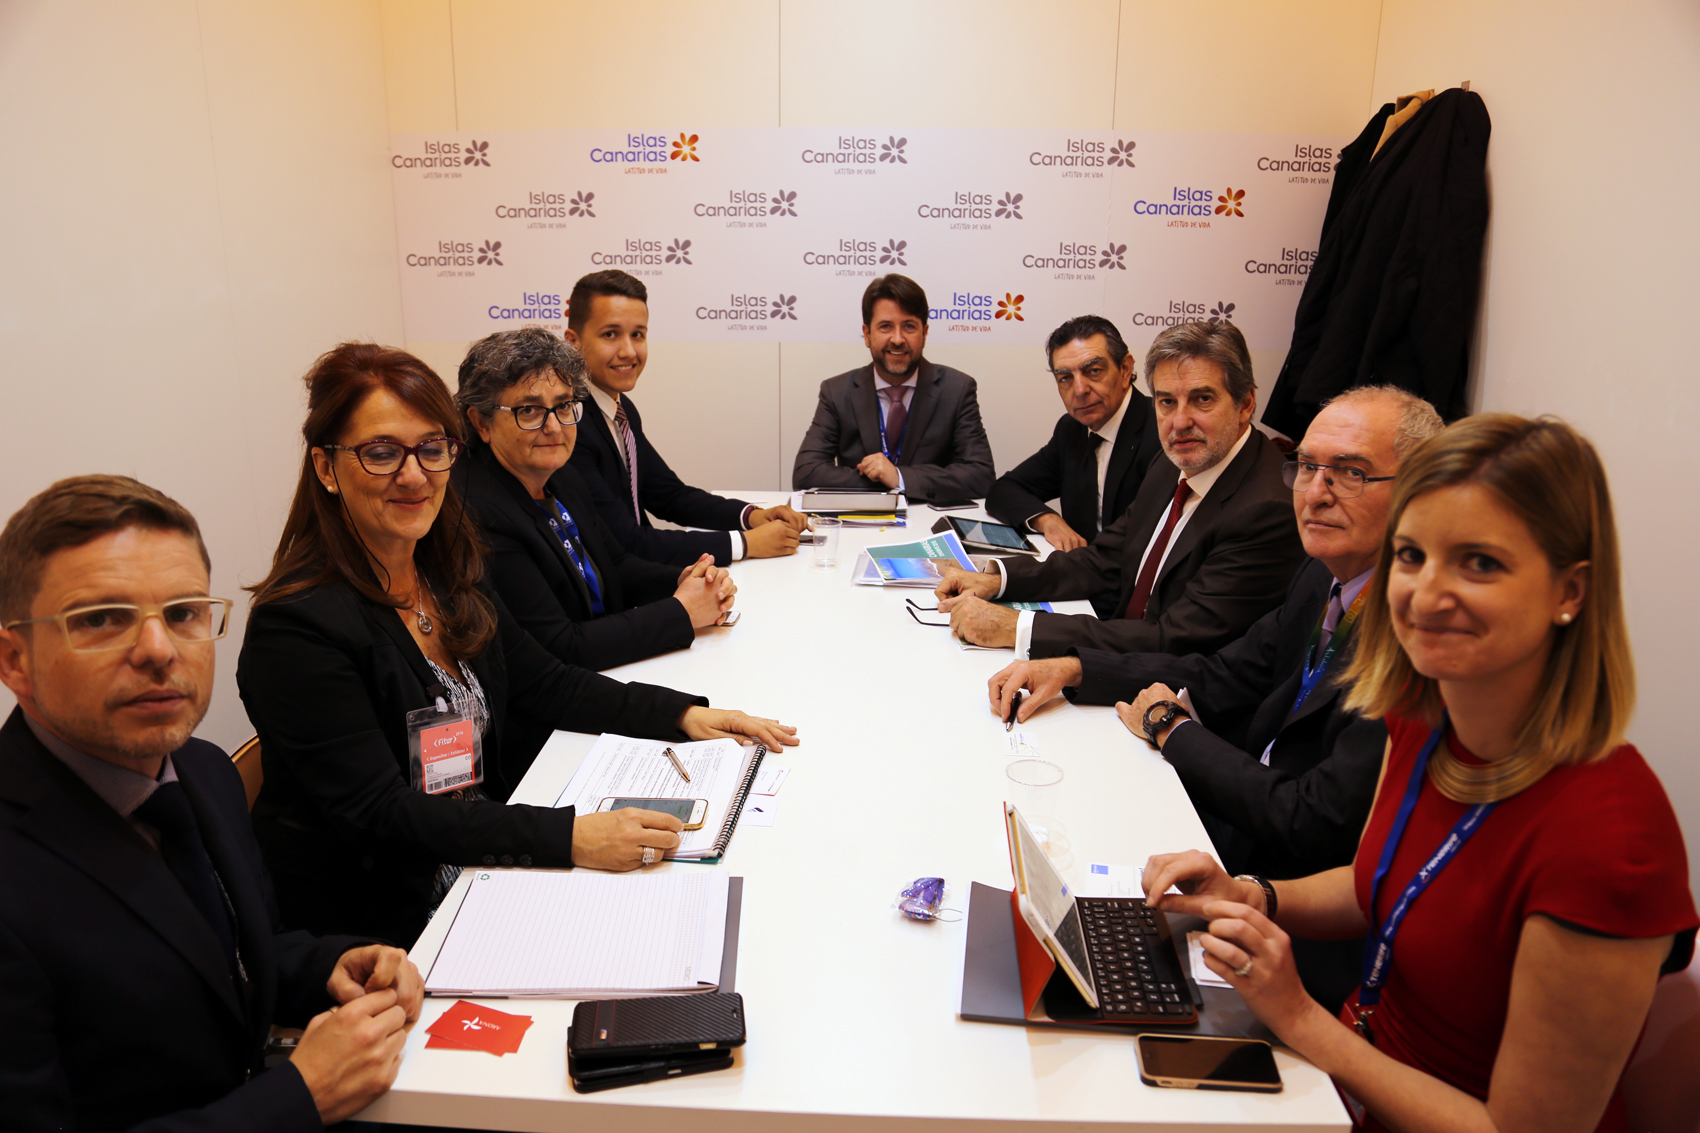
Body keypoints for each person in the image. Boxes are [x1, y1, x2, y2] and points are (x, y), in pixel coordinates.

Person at [1142, 415, 1697, 1133]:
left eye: (1480, 563)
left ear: (1571, 590)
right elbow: (1382, 879)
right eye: (1411, 554)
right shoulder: (1421, 716)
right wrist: (1252, 894)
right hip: (1344, 1074)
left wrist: (1301, 1019)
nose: (1425, 594)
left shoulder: (1610, 842)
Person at [238, 343, 799, 946]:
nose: (414, 474)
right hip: (398, 921)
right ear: (326, 468)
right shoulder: (296, 628)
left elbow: (544, 680)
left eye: (432, 448)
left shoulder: (445, 569)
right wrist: (569, 836)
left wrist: (682, 714)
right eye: (381, 453)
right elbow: (383, 815)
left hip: (487, 858)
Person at [987, 386, 1444, 1011]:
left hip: (1306, 928)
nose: (1315, 492)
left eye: (1351, 472)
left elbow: (1311, 821)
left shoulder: (1423, 637)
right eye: (1308, 466)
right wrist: (1076, 669)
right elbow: (1225, 671)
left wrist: (1172, 729)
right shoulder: (1324, 575)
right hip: (1239, 859)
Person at [0, 474, 424, 1131]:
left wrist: (330, 965)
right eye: (101, 619)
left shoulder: (202, 769)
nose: (159, 650)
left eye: (183, 613)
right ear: (15, 660)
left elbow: (231, 951)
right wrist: (299, 1097)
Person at [937, 320, 1303, 658]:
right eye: (1167, 401)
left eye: (1202, 399)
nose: (1179, 422)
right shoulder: (1174, 461)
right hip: (1126, 652)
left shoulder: (1268, 509)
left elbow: (1176, 638)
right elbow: (1106, 559)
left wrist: (1018, 627)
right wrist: (997, 580)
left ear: (1245, 404)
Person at [453, 327, 735, 671]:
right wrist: (682, 611)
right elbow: (562, 647)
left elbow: (616, 566)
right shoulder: (478, 510)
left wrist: (684, 582)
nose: (554, 427)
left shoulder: (562, 475)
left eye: (563, 406)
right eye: (529, 410)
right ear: (481, 422)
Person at [564, 270, 806, 567]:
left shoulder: (621, 408)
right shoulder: (567, 425)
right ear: (573, 343)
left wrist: (752, 516)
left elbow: (669, 496)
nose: (628, 351)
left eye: (637, 334)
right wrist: (745, 543)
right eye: (610, 334)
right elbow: (628, 542)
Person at [791, 274, 997, 504]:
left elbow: (981, 476)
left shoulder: (956, 390)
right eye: (886, 326)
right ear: (867, 334)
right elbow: (806, 473)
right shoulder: (837, 392)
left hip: (929, 521)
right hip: (862, 520)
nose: (897, 339)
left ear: (924, 334)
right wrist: (883, 479)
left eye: (909, 326)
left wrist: (900, 477)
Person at [985, 314, 1162, 557]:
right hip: (1081, 570)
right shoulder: (1071, 429)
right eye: (1065, 378)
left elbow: (1138, 545)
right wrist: (1047, 520)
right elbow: (1004, 490)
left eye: (1094, 371)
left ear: (1125, 369)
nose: (1079, 390)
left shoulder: (1162, 432)